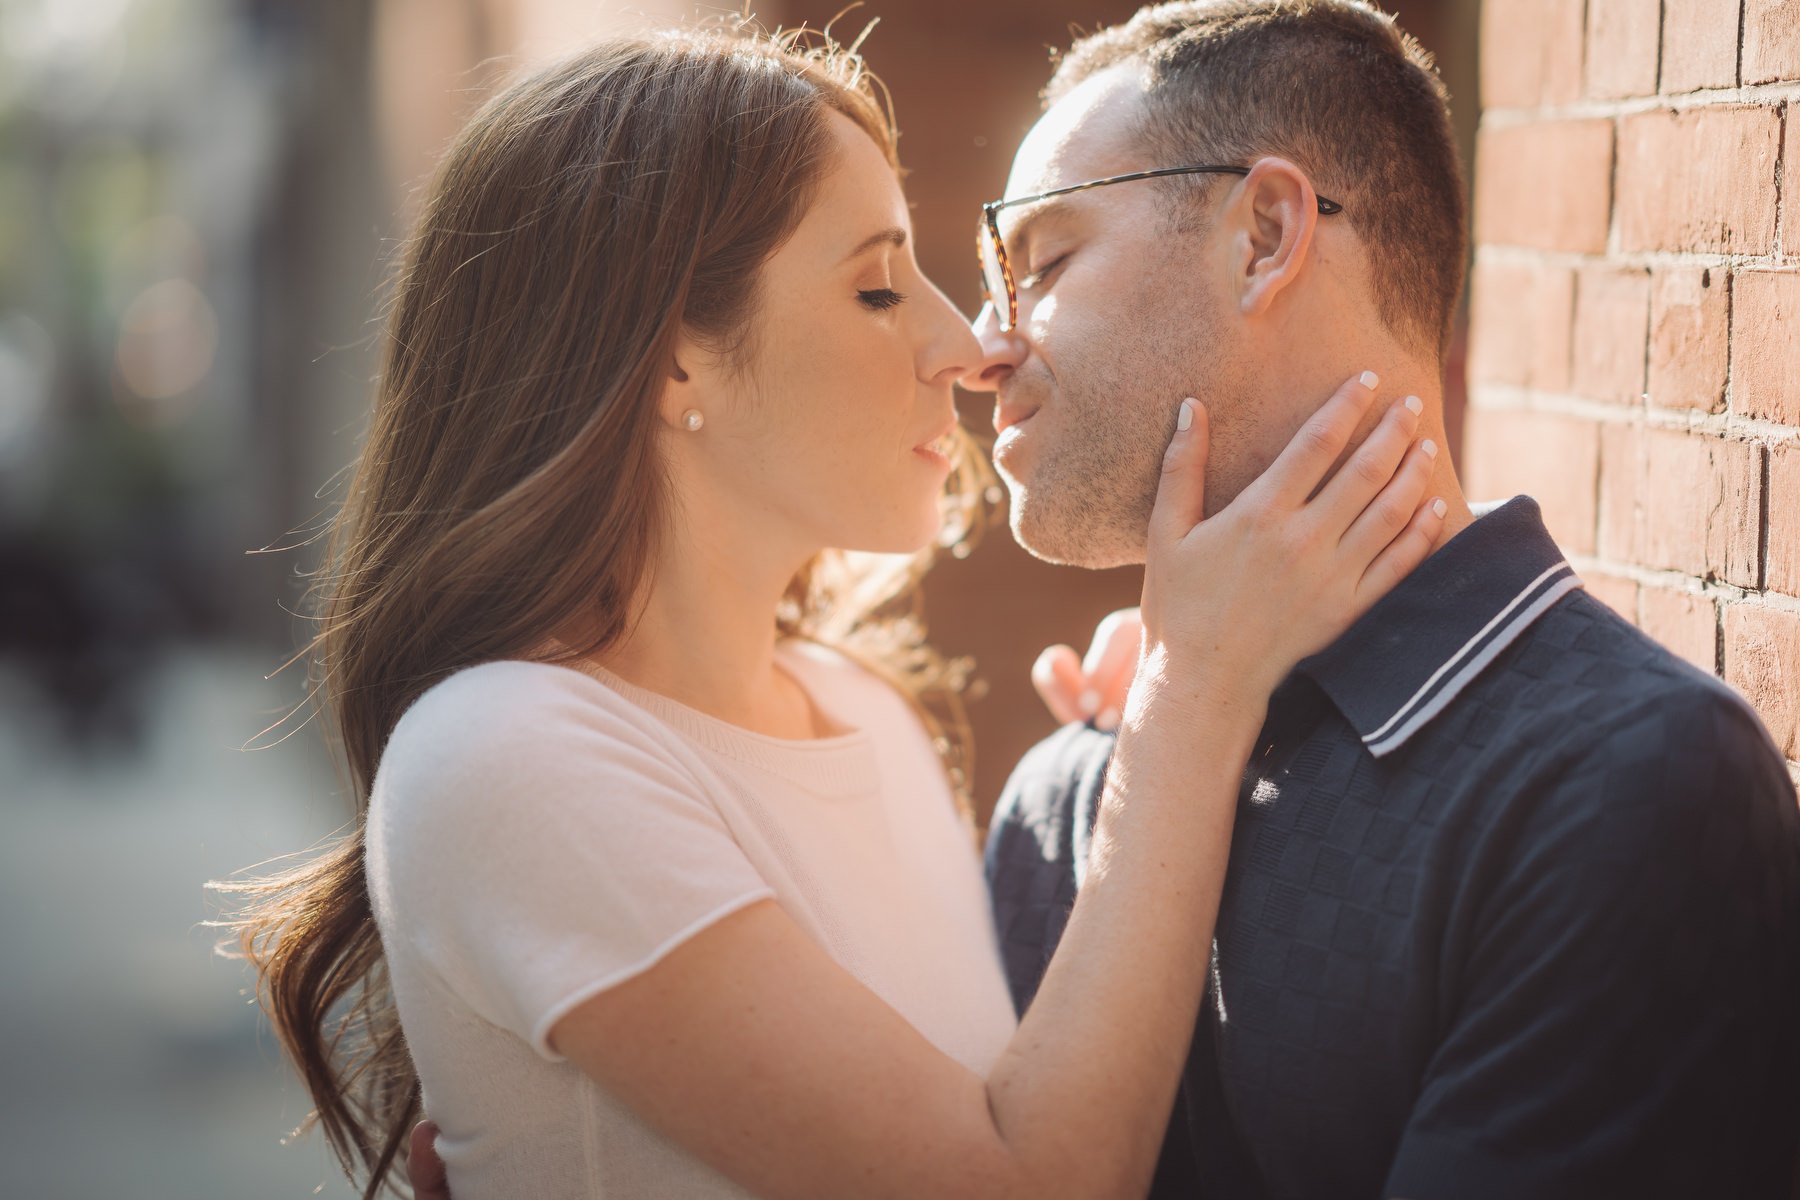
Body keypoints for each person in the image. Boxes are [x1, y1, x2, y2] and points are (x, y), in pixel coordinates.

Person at [218, 21, 1446, 1200]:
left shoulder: (869, 715)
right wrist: (1197, 689)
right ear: (672, 358)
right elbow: (1028, 1180)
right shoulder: (506, 753)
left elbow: (1040, 1089)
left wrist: (1155, 732)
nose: (967, 344)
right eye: (877, 288)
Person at [972, 2, 1800, 1197]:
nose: (985, 343)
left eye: (1041, 262)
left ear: (1264, 233)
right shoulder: (1061, 803)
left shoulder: (1628, 786)